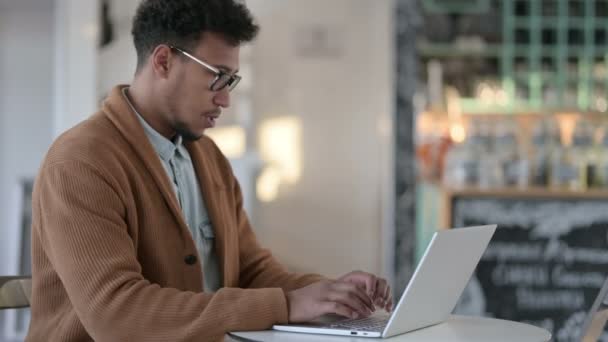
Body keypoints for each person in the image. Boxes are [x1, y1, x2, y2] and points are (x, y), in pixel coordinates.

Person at [26, 1, 392, 341]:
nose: (225, 98)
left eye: (231, 80)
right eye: (217, 76)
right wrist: (288, 305)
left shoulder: (208, 157)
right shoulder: (80, 163)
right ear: (164, 61)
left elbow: (250, 272)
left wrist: (330, 294)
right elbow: (116, 314)